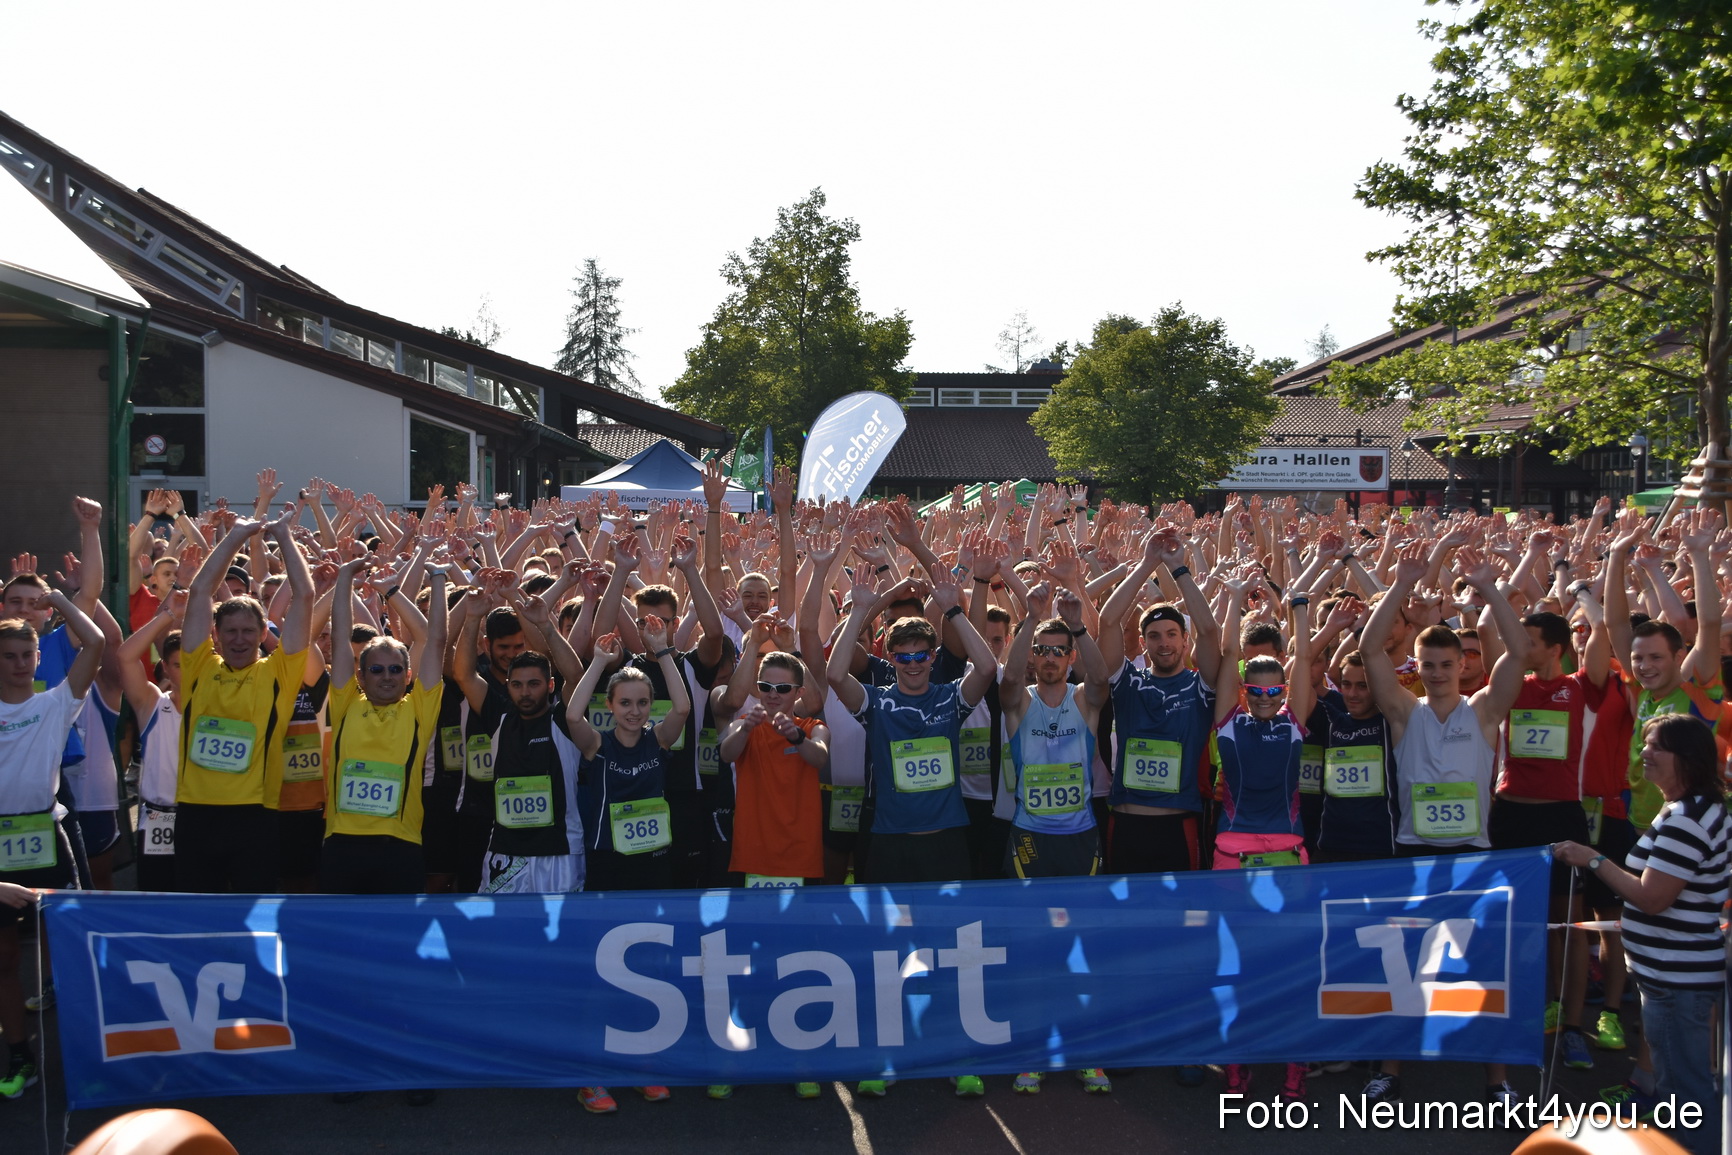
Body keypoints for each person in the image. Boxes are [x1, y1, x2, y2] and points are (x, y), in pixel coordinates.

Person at [1357, 541, 1528, 1107]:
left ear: (1463, 666)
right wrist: (1401, 584)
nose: (1435, 674)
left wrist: (1487, 587)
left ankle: (1497, 1082)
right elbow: (1368, 649)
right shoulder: (1406, 714)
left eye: (1446, 665)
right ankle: (1390, 1072)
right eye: (1427, 666)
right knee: (1404, 969)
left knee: (1480, 972)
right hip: (1415, 857)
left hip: (1472, 856)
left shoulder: (1484, 712)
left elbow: (1519, 655)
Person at [828, 571, 998, 1100]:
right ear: (891, 659)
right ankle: (886, 1057)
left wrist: (952, 611)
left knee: (954, 952)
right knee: (890, 955)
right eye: (903, 657)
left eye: (922, 656)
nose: (914, 664)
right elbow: (834, 674)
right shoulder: (877, 701)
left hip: (946, 840)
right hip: (892, 843)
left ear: (931, 657)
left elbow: (988, 666)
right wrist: (858, 609)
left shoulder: (950, 698)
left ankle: (958, 1054)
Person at [1555, 715, 1728, 1155]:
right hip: (1673, 978)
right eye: (1645, 743)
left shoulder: (1688, 819)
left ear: (1687, 758)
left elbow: (1652, 897)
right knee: (1682, 1087)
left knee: (1685, 1094)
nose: (1645, 753)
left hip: (1677, 981)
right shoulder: (1691, 808)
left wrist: (1592, 860)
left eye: (1657, 747)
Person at [563, 625, 690, 1114]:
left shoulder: (659, 741)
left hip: (653, 871)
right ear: (611, 706)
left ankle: (642, 1067)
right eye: (625, 703)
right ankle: (592, 1077)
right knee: (603, 973)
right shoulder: (597, 747)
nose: (634, 711)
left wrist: (662, 653)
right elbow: (572, 713)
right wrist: (597, 662)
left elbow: (681, 708)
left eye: (641, 703)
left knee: (647, 969)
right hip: (608, 871)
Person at [998, 584, 1113, 1096]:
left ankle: (1085, 1052)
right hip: (1029, 843)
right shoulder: (1018, 702)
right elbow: (1005, 679)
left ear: (1069, 658)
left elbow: (1103, 679)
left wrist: (1078, 625)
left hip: (1079, 841)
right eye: (1040, 652)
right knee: (1032, 952)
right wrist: (1031, 619)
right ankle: (1032, 1053)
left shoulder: (1083, 700)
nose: (1047, 659)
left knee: (1079, 951)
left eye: (1057, 652)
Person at [1210, 575, 1316, 1102]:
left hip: (1289, 855)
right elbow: (1228, 653)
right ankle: (1236, 1065)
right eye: (1259, 690)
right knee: (1235, 963)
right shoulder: (1228, 724)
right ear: (1245, 692)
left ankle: (1293, 1066)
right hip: (1232, 855)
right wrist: (1232, 600)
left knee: (1289, 963)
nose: (1270, 697)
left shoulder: (1295, 722)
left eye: (1277, 690)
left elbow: (1303, 656)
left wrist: (1296, 601)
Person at [173, 507, 314, 893]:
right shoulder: (200, 665)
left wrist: (284, 537)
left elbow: (304, 595)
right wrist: (235, 535)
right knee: (198, 918)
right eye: (230, 631)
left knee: (254, 917)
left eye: (248, 632)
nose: (239, 639)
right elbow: (200, 590)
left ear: (261, 633)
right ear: (215, 634)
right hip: (195, 812)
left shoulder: (276, 674)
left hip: (254, 815)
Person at [0, 591, 102, 1099]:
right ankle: (20, 1056)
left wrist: (61, 599)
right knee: (3, 961)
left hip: (46, 835)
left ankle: (81, 1055)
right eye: (9, 656)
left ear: (40, 657)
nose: (20, 665)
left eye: (28, 655)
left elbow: (97, 642)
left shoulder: (54, 702)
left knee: (67, 950)